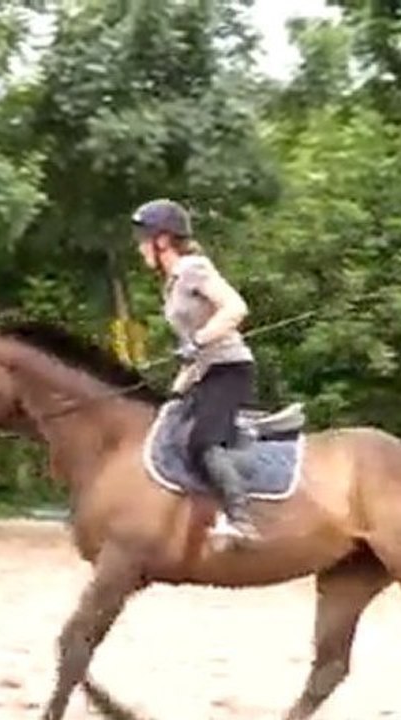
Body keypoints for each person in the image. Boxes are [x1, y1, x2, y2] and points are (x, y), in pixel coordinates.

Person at [130, 198, 261, 543]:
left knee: (202, 441)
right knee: (169, 425)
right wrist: (176, 387)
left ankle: (239, 518)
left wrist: (200, 340)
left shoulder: (194, 269)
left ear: (161, 240)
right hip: (205, 371)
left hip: (229, 369)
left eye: (142, 239)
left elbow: (235, 307)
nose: (139, 247)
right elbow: (193, 350)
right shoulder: (173, 282)